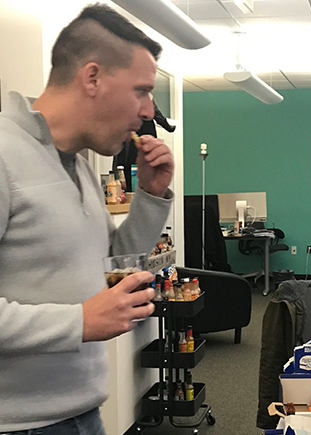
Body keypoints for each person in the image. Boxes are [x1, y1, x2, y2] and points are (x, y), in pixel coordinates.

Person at [0, 4, 174, 434]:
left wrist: (151, 197)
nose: (148, 111)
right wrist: (79, 321)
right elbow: (87, 311)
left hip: (83, 414)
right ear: (92, 77)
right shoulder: (4, 155)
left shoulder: (79, 163)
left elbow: (111, 265)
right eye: (141, 90)